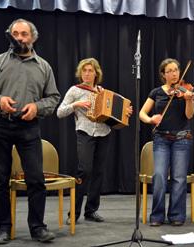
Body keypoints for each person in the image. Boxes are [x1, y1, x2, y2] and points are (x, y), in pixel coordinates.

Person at [0, 19, 60, 244]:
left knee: (35, 179)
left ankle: (38, 227)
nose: (20, 38)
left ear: (33, 38)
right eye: (15, 34)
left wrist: (37, 107)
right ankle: (3, 228)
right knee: (0, 180)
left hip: (28, 127)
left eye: (24, 34)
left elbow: (53, 98)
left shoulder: (44, 66)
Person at [57, 58, 132, 225]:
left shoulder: (102, 91)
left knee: (98, 173)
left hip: (103, 134)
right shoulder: (75, 90)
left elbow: (112, 117)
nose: (87, 74)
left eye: (90, 71)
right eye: (84, 71)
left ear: (96, 73)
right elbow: (60, 112)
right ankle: (74, 213)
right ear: (80, 73)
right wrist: (75, 104)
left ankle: (91, 210)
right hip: (85, 133)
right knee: (85, 170)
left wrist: (125, 112)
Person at [139, 58, 194, 226]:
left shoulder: (185, 91)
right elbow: (142, 113)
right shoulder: (156, 92)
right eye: (169, 71)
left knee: (179, 178)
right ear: (163, 75)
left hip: (182, 139)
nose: (174, 73)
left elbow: (189, 115)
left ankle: (177, 215)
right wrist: (151, 120)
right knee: (160, 177)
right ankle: (156, 216)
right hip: (161, 139)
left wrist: (189, 100)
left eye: (176, 70)